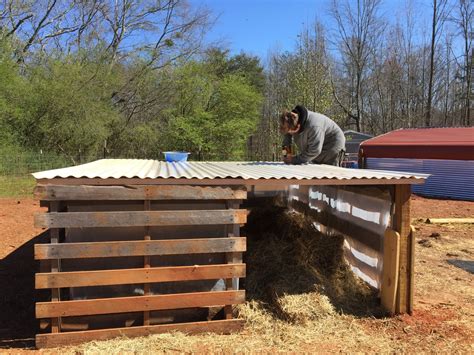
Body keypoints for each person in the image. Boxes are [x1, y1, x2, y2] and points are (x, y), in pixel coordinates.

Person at [279, 105, 346, 166]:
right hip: (317, 146)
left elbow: (315, 151)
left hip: (333, 145)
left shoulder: (314, 126)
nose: (290, 134)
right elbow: (286, 142)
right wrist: (286, 155)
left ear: (298, 126)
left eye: (291, 132)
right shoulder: (289, 121)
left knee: (329, 174)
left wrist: (294, 160)